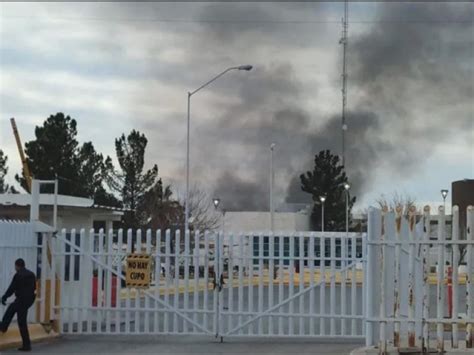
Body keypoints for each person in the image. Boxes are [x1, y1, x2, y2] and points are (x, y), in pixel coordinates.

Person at [0, 258, 36, 352]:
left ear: (17, 266)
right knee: (11, 310)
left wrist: (4, 297)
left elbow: (12, 288)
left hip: (21, 300)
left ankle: (26, 345)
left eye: (15, 266)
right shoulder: (31, 274)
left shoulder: (18, 275)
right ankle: (3, 327)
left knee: (20, 321)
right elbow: (34, 288)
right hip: (28, 300)